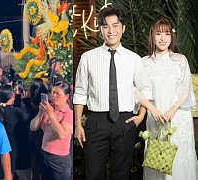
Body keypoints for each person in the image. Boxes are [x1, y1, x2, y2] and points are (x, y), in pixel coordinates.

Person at [73, 6, 159, 180]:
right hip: (96, 122)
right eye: (105, 26)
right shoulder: (88, 57)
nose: (111, 31)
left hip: (125, 122)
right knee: (93, 174)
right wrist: (78, 124)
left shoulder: (134, 59)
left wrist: (141, 116)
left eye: (115, 25)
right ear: (100, 29)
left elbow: (145, 89)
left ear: (123, 28)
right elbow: (80, 92)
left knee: (120, 174)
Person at [142, 18, 198, 180]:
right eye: (158, 33)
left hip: (179, 119)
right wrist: (153, 110)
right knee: (157, 161)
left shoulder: (180, 60)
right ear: (152, 36)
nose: (162, 38)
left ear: (172, 36)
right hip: (156, 118)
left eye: (166, 33)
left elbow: (186, 90)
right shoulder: (144, 63)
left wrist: (172, 111)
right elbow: (137, 92)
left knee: (179, 162)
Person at [30, 81, 73, 180]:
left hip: (59, 160)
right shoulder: (49, 108)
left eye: (58, 94)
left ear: (66, 96)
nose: (54, 96)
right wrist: (41, 113)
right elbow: (33, 127)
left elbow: (61, 134)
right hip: (45, 155)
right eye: (53, 92)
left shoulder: (68, 113)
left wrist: (51, 115)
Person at [0, 85, 32, 180]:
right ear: (11, 96)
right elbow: (28, 118)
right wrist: (26, 101)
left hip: (6, 149)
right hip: (18, 151)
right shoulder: (15, 112)